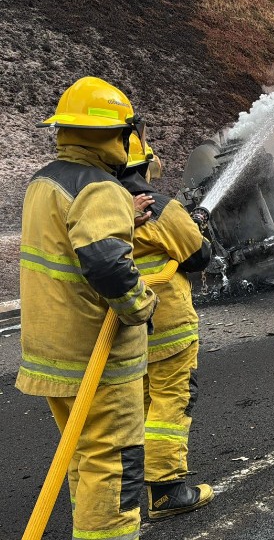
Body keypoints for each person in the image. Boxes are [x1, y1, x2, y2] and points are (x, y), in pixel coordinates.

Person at [18, 76, 158, 539]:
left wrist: (125, 218)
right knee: (114, 466)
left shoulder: (46, 181)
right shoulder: (101, 188)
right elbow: (106, 264)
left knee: (84, 458)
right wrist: (140, 305)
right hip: (93, 358)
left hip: (51, 350)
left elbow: (70, 239)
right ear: (118, 135)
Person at [119, 136, 214, 520]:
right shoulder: (159, 207)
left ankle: (131, 489)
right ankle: (166, 490)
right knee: (171, 401)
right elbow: (198, 255)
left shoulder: (103, 208)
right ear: (144, 166)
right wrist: (195, 226)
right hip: (168, 326)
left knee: (140, 404)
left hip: (124, 327)